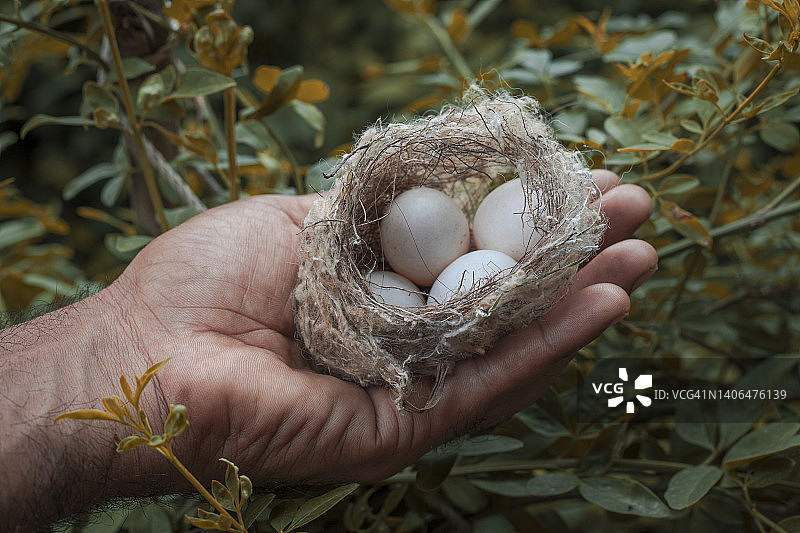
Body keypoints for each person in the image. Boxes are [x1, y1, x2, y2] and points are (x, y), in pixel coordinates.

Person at [0, 170, 656, 532]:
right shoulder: (389, 270)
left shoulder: (461, 262)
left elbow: (455, 262)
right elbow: (430, 246)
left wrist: (125, 347)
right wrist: (134, 342)